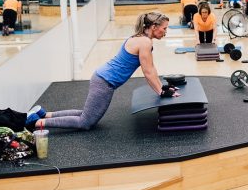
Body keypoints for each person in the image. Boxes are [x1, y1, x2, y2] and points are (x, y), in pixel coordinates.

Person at [30, 12, 177, 131]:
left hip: (102, 78)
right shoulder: (144, 42)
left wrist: (162, 87)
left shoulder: (141, 39)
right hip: (104, 82)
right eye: (164, 28)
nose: (165, 32)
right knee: (85, 122)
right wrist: (161, 92)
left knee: (85, 114)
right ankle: (35, 123)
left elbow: (151, 68)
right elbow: (148, 72)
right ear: (153, 26)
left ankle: (43, 114)